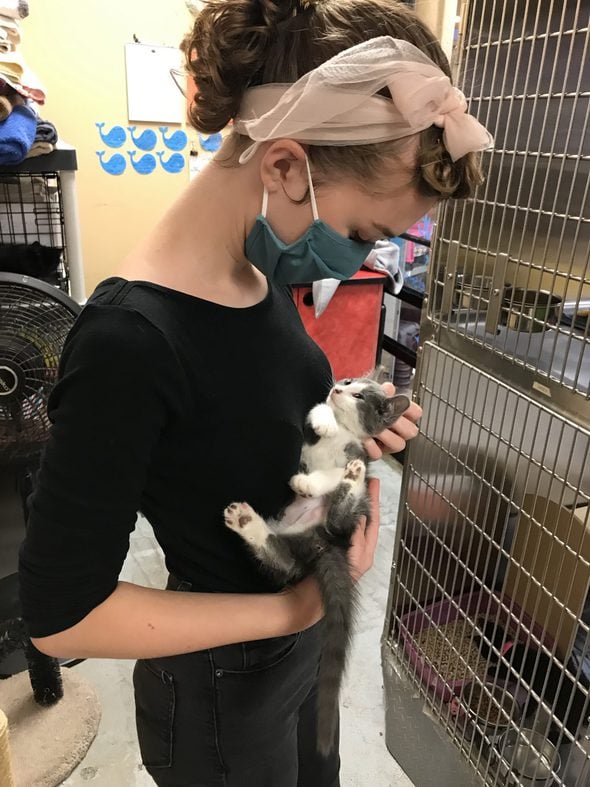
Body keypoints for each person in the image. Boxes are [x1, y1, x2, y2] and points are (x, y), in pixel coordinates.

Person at [18, 1, 492, 785]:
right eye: (367, 233)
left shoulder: (256, 275)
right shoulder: (128, 341)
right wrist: (291, 609)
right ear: (282, 167)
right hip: (221, 687)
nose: (358, 256)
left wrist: (351, 422)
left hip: (301, 649)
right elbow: (63, 613)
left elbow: (239, 412)